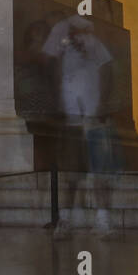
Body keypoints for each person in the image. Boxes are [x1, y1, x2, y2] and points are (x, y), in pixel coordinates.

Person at [43, 14, 118, 239]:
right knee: (72, 172)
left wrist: (103, 102)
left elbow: (107, 68)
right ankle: (65, 220)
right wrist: (55, 99)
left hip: (92, 116)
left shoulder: (93, 42)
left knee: (98, 171)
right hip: (72, 115)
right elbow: (51, 63)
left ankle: (102, 219)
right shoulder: (61, 35)